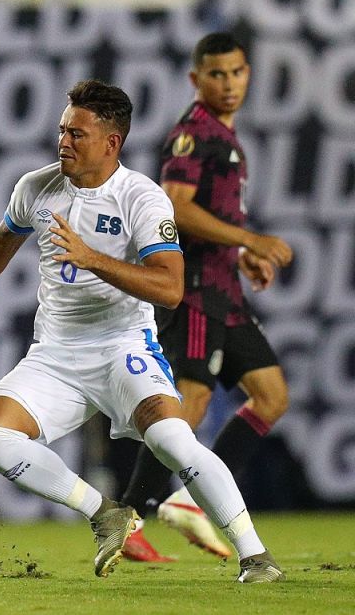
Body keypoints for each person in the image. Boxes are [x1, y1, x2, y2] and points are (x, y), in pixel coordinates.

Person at [0, 79, 283, 583]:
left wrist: (91, 258)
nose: (63, 141)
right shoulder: (35, 188)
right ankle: (105, 512)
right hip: (56, 356)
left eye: (76, 134)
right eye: (62, 130)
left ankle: (255, 556)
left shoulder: (141, 198)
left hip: (124, 347)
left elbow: (170, 288)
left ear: (112, 142)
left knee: (173, 439)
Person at [119, 32, 294, 564]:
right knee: (187, 407)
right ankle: (127, 519)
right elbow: (176, 208)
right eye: (216, 74)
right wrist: (251, 239)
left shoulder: (227, 136)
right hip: (194, 292)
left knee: (270, 396)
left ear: (248, 74)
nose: (228, 83)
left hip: (226, 290)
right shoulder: (195, 133)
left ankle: (190, 502)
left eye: (236, 72)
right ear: (196, 80)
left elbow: (210, 218)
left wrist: (240, 256)